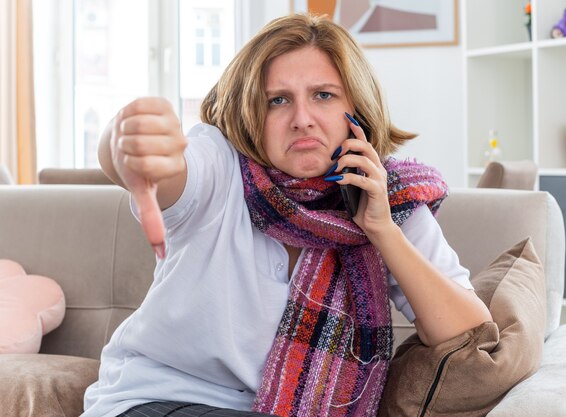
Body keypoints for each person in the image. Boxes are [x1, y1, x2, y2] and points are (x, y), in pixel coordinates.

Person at [82, 13, 492, 417]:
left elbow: (468, 332)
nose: (301, 119)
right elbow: (166, 170)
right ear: (251, 115)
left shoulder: (384, 195)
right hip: (156, 400)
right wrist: (123, 144)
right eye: (277, 101)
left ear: (358, 109)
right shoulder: (221, 164)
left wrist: (383, 231)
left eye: (323, 95)